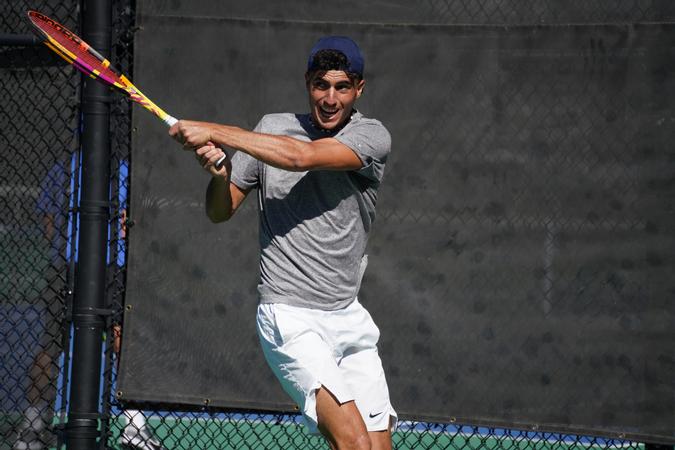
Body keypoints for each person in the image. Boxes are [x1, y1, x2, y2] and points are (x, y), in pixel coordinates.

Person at [169, 36, 396, 449]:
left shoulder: (372, 136)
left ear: (358, 89)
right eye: (319, 85)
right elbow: (221, 210)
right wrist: (219, 174)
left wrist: (216, 130)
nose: (330, 98)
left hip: (348, 316)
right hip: (290, 317)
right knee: (355, 445)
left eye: (342, 87)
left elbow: (301, 157)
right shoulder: (271, 129)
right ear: (307, 83)